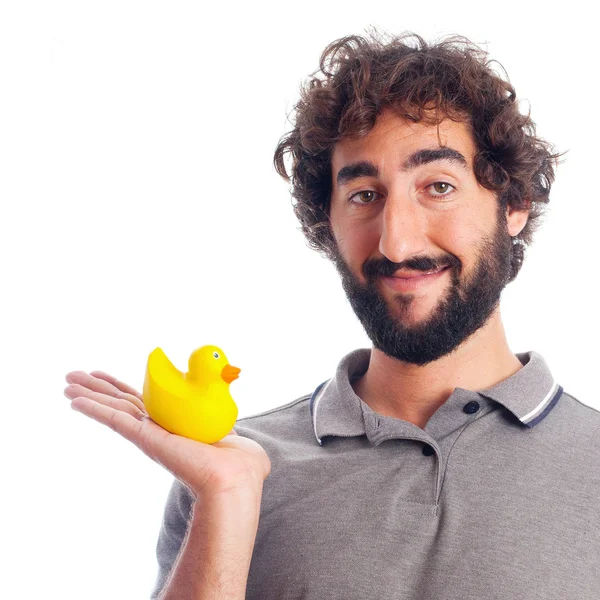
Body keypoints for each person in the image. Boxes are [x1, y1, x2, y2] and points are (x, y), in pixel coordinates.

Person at [64, 28, 600, 600]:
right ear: (329, 224)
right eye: (365, 195)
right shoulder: (232, 469)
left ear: (513, 205)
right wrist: (228, 499)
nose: (396, 242)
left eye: (438, 186)